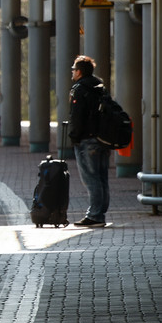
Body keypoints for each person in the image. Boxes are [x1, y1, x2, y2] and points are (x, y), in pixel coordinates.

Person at [68, 55, 111, 227]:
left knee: (91, 178)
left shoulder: (79, 89)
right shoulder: (100, 87)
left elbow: (77, 117)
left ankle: (95, 215)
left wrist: (74, 137)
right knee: (101, 177)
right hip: (102, 138)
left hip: (86, 140)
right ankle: (100, 213)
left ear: (79, 72)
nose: (72, 72)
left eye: (73, 69)